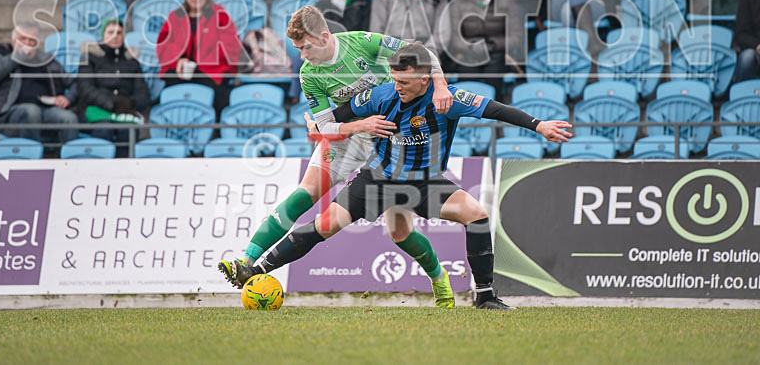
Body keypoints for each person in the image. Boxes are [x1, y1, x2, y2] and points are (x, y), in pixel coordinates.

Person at [225, 42, 574, 310]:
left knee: (477, 216)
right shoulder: (381, 94)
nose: (398, 86)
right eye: (395, 79)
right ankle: (257, 271)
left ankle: (484, 298)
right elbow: (338, 115)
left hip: (424, 183)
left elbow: (495, 109)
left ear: (426, 79)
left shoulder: (448, 99)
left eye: (405, 81)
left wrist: (539, 125)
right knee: (326, 226)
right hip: (377, 180)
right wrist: (320, 123)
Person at [219, 6, 460, 307]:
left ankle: (438, 278)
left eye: (305, 48)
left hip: (389, 140)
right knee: (305, 193)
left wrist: (439, 85)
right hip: (347, 136)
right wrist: (355, 125)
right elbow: (325, 126)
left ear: (323, 36)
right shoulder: (309, 74)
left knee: (399, 230)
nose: (303, 56)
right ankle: (245, 261)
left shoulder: (362, 42)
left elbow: (422, 53)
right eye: (298, 50)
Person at [156, 0, 245, 115]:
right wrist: (178, 61)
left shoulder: (219, 14)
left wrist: (202, 60)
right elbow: (163, 47)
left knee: (217, 96)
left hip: (211, 72)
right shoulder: (175, 16)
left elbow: (232, 49)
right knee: (169, 89)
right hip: (181, 71)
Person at [0, 21, 78, 144]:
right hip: (9, 113)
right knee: (31, 111)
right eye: (22, 39)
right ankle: (33, 159)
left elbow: (75, 82)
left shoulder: (45, 60)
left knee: (68, 118)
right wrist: (16, 57)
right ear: (13, 40)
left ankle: (68, 160)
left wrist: (68, 98)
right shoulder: (0, 52)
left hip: (45, 110)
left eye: (32, 40)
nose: (27, 43)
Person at [445, 0, 523, 99]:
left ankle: (494, 115)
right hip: (468, 52)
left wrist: (492, 45)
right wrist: (470, 47)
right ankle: (466, 117)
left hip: (498, 53)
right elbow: (454, 37)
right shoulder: (460, 0)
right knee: (467, 77)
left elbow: (516, 37)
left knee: (493, 77)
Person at [77, 18, 151, 156]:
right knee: (104, 128)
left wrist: (130, 103)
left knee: (128, 130)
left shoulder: (131, 61)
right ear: (103, 35)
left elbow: (143, 92)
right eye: (111, 32)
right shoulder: (89, 57)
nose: (115, 36)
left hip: (125, 112)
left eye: (119, 33)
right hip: (95, 110)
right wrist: (112, 104)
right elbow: (85, 88)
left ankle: (124, 174)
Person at [735, 0, 760, 83]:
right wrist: (757, 45)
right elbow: (741, 34)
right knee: (747, 57)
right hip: (756, 49)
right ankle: (740, 95)